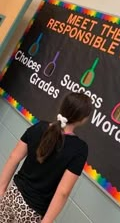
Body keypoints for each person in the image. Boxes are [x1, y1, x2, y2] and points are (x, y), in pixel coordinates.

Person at [0, 92, 92, 223]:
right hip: (32, 212)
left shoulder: (39, 127)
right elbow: (63, 192)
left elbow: (13, 157)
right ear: (83, 118)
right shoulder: (79, 149)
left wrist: (1, 189)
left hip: (12, 195)